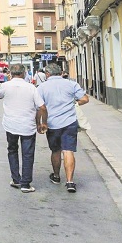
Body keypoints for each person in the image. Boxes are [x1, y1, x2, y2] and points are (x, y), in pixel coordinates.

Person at [37, 63, 89, 193]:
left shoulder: (42, 87)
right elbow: (85, 99)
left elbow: (39, 107)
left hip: (52, 123)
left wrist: (40, 123)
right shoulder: (71, 84)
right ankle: (70, 182)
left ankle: (56, 176)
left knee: (55, 151)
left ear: (47, 74)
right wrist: (74, 103)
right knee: (68, 150)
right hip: (69, 122)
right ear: (61, 73)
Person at [0, 64, 48, 193]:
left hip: (11, 125)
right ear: (24, 73)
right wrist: (43, 123)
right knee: (28, 154)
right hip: (27, 126)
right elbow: (42, 107)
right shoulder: (31, 88)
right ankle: (25, 184)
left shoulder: (5, 86)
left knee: (12, 150)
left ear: (11, 74)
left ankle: (15, 179)